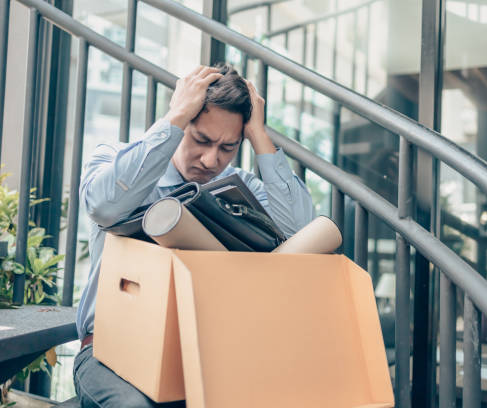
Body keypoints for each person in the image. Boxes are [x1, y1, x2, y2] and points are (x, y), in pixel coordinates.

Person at [73, 64, 316, 407]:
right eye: (200, 139)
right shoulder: (115, 159)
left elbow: (301, 235)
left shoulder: (243, 188)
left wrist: (260, 137)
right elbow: (103, 206)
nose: (210, 159)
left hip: (204, 359)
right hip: (111, 351)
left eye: (227, 147)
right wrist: (174, 118)